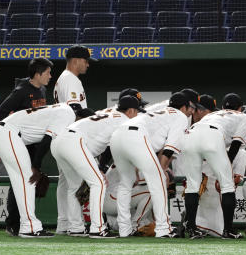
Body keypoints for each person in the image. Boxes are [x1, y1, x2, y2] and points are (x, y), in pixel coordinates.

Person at [0, 102, 85, 238]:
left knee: (21, 182)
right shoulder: (68, 114)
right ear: (79, 117)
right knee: (28, 178)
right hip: (8, 133)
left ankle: (25, 225)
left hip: (4, 133)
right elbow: (46, 141)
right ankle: (29, 226)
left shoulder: (59, 109)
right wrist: (36, 166)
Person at [50, 95, 143, 238]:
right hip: (74, 141)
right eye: (137, 111)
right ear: (130, 111)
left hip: (58, 141)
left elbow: (106, 144)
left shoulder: (108, 113)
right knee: (98, 183)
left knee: (74, 187)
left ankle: (76, 228)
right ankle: (97, 228)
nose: (137, 115)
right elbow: (115, 147)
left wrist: (100, 167)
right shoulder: (124, 120)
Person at [109, 92, 193, 238]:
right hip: (137, 136)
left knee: (125, 184)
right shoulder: (180, 116)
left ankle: (125, 229)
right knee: (159, 180)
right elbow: (168, 150)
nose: (192, 111)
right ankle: (163, 229)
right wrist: (162, 172)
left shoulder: (158, 112)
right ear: (183, 107)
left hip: (117, 135)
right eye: (190, 107)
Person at [181, 93, 246, 240]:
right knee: (227, 186)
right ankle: (229, 230)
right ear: (241, 108)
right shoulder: (243, 116)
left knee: (193, 186)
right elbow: (236, 143)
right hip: (212, 135)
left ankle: (192, 228)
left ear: (223, 107)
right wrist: (228, 165)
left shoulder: (212, 114)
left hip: (192, 133)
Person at [0, 57, 52, 236]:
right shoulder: (21, 91)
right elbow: (2, 112)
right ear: (37, 74)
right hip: (21, 144)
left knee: (26, 183)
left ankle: (23, 222)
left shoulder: (42, 90)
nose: (50, 76)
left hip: (34, 144)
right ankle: (13, 223)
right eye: (48, 73)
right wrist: (15, 136)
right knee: (20, 183)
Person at [53, 46, 93, 234]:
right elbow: (75, 110)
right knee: (75, 182)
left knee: (65, 183)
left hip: (60, 137)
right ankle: (76, 226)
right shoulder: (70, 79)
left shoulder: (64, 78)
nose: (87, 65)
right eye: (86, 61)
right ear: (76, 60)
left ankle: (64, 223)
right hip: (70, 137)